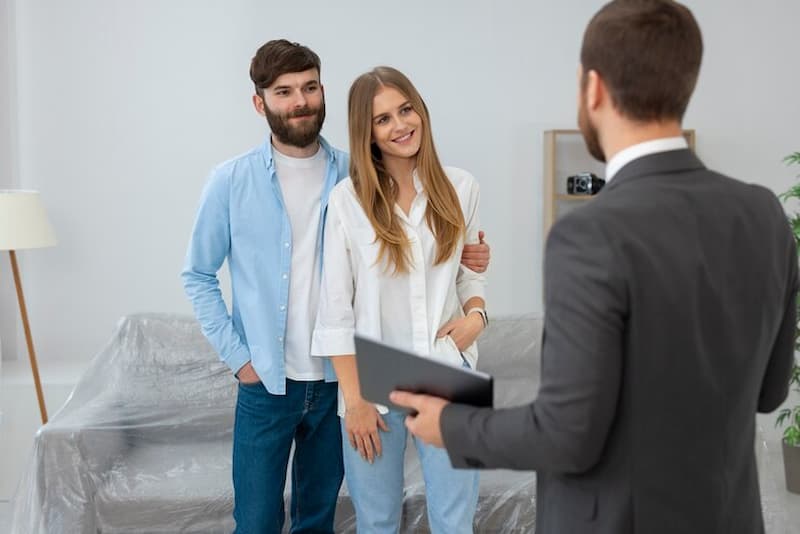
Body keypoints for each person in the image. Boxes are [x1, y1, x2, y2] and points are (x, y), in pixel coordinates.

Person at [391, 2, 799, 533]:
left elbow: (567, 435)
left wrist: (451, 424)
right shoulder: (764, 213)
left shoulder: (588, 234)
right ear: (684, 84)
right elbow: (769, 393)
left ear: (594, 89)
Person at [182, 41, 491, 533]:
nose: (300, 100)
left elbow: (461, 265)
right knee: (265, 521)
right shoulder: (249, 183)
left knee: (326, 518)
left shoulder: (372, 176)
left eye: (308, 87)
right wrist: (240, 360)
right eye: (284, 92)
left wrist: (475, 306)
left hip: (371, 376)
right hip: (299, 377)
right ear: (260, 103)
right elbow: (199, 275)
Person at [311, 66, 488, 533]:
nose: (400, 125)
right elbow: (334, 311)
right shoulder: (347, 201)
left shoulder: (461, 188)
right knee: (377, 522)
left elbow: (469, 277)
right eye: (382, 119)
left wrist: (477, 318)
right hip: (372, 376)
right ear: (366, 133)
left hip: (448, 367)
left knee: (456, 523)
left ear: (420, 111)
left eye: (405, 110)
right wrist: (355, 402)